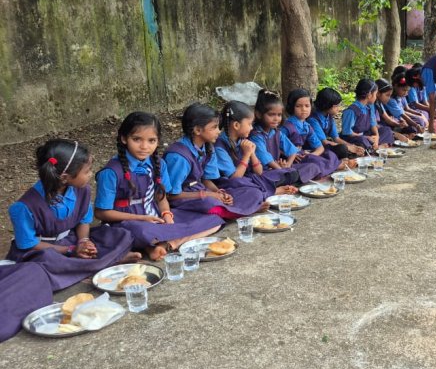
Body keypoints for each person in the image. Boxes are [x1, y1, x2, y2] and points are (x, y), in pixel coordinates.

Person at [95, 112, 223, 261]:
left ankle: (167, 244)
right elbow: (101, 213)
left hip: (155, 217)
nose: (144, 146)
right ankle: (158, 243)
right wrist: (141, 218)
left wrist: (167, 214)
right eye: (136, 139)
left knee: (214, 220)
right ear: (124, 138)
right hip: (126, 221)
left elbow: (161, 197)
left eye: (151, 140)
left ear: (158, 141)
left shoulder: (158, 164)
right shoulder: (111, 172)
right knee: (141, 231)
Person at [6, 139, 137, 285]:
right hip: (44, 250)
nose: (90, 175)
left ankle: (95, 264)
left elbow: (83, 221)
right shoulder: (24, 207)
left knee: (119, 234)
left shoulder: (83, 190)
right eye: (87, 171)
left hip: (72, 240)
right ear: (64, 178)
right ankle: (108, 260)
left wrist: (84, 242)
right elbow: (29, 244)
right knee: (44, 264)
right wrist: (71, 249)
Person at [165, 103, 267, 219]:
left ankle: (240, 209)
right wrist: (207, 194)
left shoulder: (208, 147)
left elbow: (205, 179)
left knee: (253, 193)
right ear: (198, 130)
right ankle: (245, 210)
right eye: (214, 127)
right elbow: (171, 195)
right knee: (210, 204)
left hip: (201, 190)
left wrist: (219, 193)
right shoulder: (178, 156)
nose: (219, 131)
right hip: (184, 199)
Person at [212, 101, 300, 199]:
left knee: (291, 173)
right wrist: (246, 156)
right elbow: (235, 178)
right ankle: (272, 191)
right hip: (233, 183)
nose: (252, 127)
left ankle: (265, 190)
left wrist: (252, 153)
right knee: (246, 186)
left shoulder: (243, 139)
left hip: (251, 179)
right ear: (236, 125)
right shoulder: (219, 146)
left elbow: (259, 172)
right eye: (249, 124)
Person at [283, 89, 346, 174]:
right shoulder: (287, 126)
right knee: (313, 164)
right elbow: (275, 147)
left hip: (304, 155)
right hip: (291, 158)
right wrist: (291, 155)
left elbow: (320, 148)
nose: (304, 109)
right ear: (292, 107)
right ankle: (334, 166)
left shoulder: (307, 126)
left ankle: (331, 166)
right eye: (298, 106)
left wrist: (311, 155)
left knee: (329, 154)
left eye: (307, 106)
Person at [309, 88, 366, 160]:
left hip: (327, 145)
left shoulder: (329, 116)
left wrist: (352, 146)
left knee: (358, 144)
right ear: (328, 105)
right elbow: (324, 142)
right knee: (342, 149)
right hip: (316, 148)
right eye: (336, 106)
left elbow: (336, 138)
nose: (338, 108)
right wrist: (348, 147)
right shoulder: (313, 120)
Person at [340, 79, 383, 151]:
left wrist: (377, 137)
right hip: (353, 138)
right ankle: (371, 148)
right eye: (375, 94)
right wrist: (366, 137)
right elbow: (347, 132)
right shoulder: (351, 111)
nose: (376, 97)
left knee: (385, 130)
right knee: (362, 140)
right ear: (369, 95)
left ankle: (373, 147)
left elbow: (373, 124)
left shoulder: (369, 107)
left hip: (365, 134)